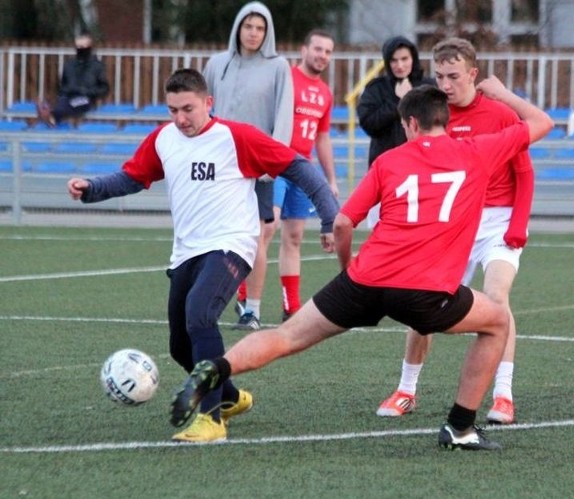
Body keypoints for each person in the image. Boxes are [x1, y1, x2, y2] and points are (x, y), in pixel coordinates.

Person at [169, 82, 553, 450]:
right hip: (424, 291)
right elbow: (542, 123)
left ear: (412, 124)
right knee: (498, 321)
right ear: (441, 121)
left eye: (403, 126)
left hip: (364, 280)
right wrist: (502, 95)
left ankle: (216, 368)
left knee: (287, 336)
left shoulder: (389, 160)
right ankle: (460, 426)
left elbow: (342, 223)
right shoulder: (475, 151)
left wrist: (346, 267)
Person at [66, 68, 339, 443]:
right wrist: (91, 189)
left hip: (232, 244)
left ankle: (211, 420)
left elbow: (298, 167)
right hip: (186, 252)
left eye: (188, 109)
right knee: (180, 345)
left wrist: (328, 215)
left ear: (208, 103)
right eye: (172, 109)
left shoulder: (236, 137)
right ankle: (228, 397)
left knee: (200, 314)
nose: (180, 119)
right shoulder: (164, 139)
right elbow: (133, 177)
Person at [376, 37, 535, 425]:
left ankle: (503, 395)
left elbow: (525, 173)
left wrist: (517, 227)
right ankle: (407, 389)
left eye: (454, 76)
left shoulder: (498, 114)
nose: (446, 84)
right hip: (454, 223)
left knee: (497, 301)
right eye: (440, 75)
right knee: (423, 299)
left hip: (498, 221)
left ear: (473, 74)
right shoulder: (436, 115)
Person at [203, 1, 294, 331]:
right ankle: (208, 303)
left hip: (260, 167)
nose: (253, 33)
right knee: (214, 238)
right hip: (220, 166)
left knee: (257, 238)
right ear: (238, 28)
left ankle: (251, 310)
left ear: (267, 32)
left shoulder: (278, 66)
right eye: (248, 26)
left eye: (260, 28)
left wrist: (274, 162)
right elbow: (203, 110)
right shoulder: (216, 64)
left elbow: (283, 116)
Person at [273, 29, 339, 322]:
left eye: (327, 51)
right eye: (317, 49)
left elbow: (322, 138)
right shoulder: (285, 78)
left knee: (295, 236)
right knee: (267, 227)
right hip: (275, 163)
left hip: (303, 169)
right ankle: (247, 299)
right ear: (303, 50)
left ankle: (291, 308)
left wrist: (331, 180)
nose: (322, 55)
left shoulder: (325, 93)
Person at [356, 35, 435, 226]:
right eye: (394, 60)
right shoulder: (376, 89)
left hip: (423, 173)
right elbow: (369, 123)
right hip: (385, 174)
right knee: (381, 232)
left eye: (404, 59)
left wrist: (410, 98)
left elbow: (435, 124)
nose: (399, 65)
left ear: (413, 59)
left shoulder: (429, 87)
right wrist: (397, 102)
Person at [37, 33, 110, 127]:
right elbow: (61, 86)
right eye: (79, 46)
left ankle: (52, 116)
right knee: (63, 102)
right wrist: (68, 90)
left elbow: (104, 88)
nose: (81, 49)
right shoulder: (69, 65)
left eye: (84, 46)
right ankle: (51, 116)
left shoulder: (97, 66)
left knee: (74, 103)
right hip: (67, 97)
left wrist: (87, 91)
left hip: (86, 98)